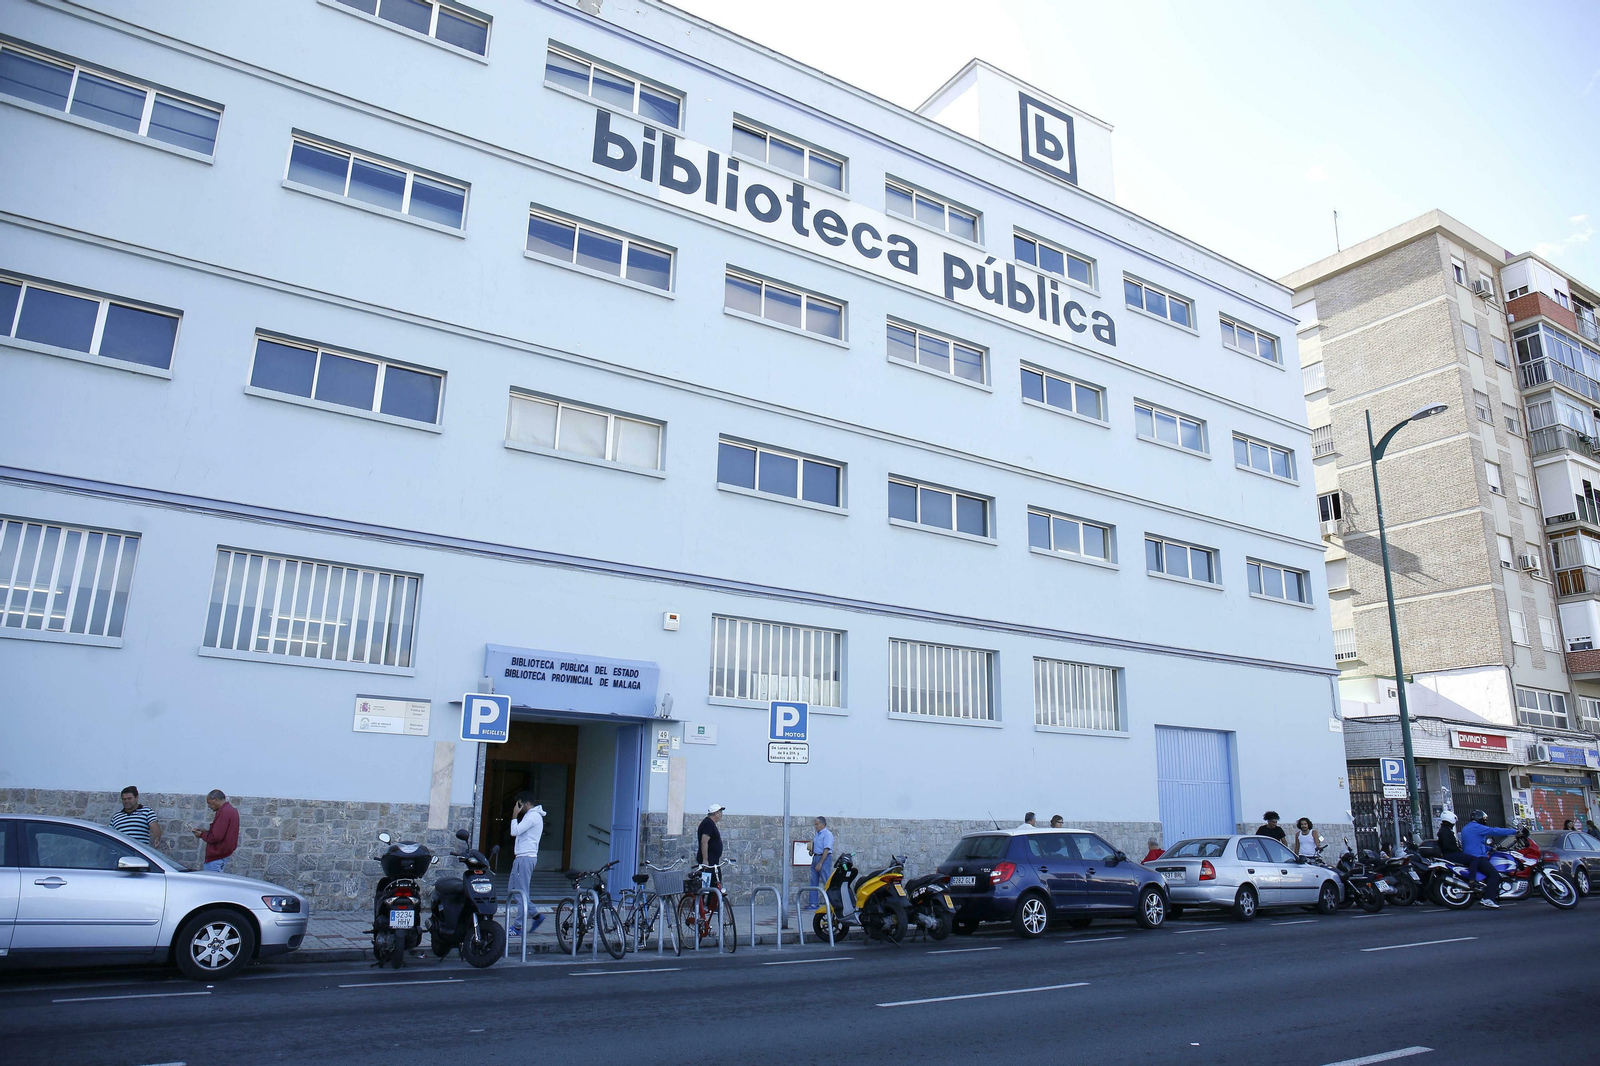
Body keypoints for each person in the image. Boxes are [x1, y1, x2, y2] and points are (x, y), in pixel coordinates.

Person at [1460, 809, 1518, 908]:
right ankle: (1488, 899)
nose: (1485, 821)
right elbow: (1495, 830)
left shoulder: (1467, 828)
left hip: (1471, 855)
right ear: (1480, 819)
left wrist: (1491, 848)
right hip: (1477, 857)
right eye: (1484, 819)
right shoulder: (1477, 827)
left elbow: (1476, 844)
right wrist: (1515, 832)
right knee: (1494, 875)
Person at [507, 793, 545, 937]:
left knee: (521, 892)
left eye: (519, 805)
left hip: (525, 857)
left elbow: (514, 831)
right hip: (521, 857)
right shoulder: (532, 816)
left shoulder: (532, 817)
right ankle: (535, 914)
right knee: (513, 889)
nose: (518, 808)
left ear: (526, 804)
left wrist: (514, 815)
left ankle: (518, 927)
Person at [191, 789, 238, 872]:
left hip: (216, 856)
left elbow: (216, 837)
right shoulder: (232, 810)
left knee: (211, 883)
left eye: (209, 803)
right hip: (223, 854)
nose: (209, 806)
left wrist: (201, 835)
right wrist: (206, 832)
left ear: (215, 799)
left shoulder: (224, 812)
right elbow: (223, 832)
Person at [697, 803, 725, 887]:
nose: (721, 814)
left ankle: (712, 900)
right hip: (709, 862)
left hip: (713, 862)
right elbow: (704, 841)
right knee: (711, 886)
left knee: (715, 885)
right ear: (716, 813)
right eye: (720, 812)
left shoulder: (710, 823)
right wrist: (705, 860)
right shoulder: (708, 824)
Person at [809, 816, 834, 907]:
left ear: (823, 824)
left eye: (817, 824)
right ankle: (813, 903)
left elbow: (826, 849)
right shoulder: (817, 834)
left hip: (824, 858)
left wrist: (820, 863)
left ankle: (831, 902)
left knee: (826, 880)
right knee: (813, 880)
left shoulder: (827, 834)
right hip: (816, 857)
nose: (815, 826)